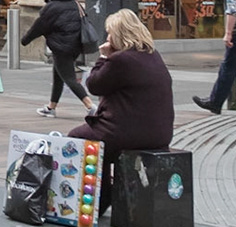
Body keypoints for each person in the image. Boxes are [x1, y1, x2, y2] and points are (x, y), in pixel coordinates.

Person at [68, 9, 172, 157]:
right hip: (160, 134)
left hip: (128, 133)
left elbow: (94, 85)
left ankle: (99, 180)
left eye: (110, 34)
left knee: (76, 138)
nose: (108, 38)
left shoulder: (120, 60)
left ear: (119, 35)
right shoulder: (153, 55)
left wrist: (103, 57)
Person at [20, 0, 94, 118]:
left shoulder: (52, 7)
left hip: (61, 47)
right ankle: (51, 107)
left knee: (70, 79)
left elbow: (38, 27)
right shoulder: (74, 3)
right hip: (75, 45)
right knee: (58, 75)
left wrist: (24, 40)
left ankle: (90, 106)